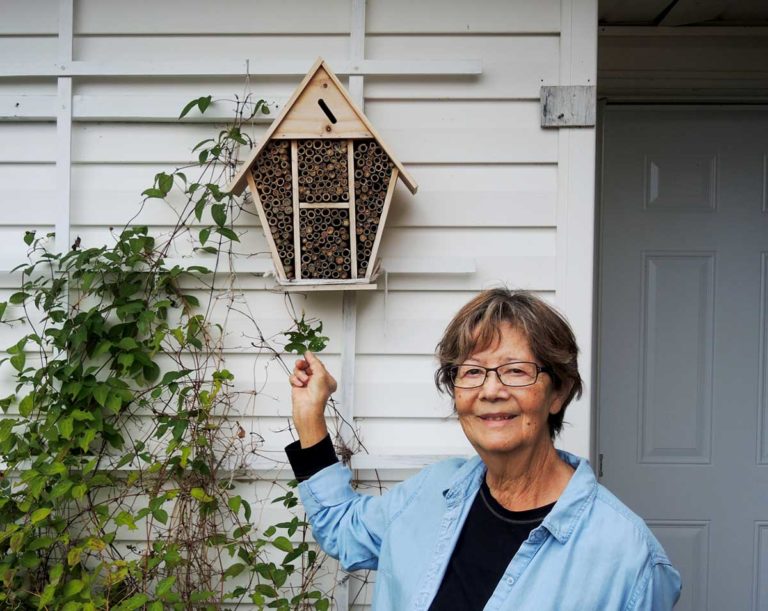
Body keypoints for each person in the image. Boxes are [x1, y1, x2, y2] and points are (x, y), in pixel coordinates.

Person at [285, 289, 681, 610]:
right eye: (473, 371)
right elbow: (341, 526)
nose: (491, 390)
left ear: (558, 392)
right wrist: (309, 416)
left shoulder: (629, 557)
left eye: (516, 370)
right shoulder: (432, 492)